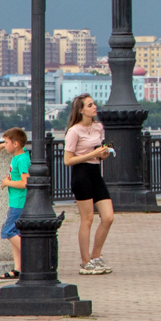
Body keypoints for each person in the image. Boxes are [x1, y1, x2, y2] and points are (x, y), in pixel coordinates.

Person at [63, 95, 115, 274]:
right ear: (81, 110)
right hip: (81, 174)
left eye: (94, 104)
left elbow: (97, 151)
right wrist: (91, 155)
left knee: (108, 217)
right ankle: (85, 262)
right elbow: (68, 160)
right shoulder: (74, 131)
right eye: (90, 105)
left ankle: (96, 256)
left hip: (95, 173)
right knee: (88, 219)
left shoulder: (98, 127)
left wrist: (102, 154)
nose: (95, 107)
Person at [0, 128, 29, 278]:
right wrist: (1, 146)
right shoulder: (19, 154)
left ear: (16, 144)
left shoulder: (22, 159)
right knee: (15, 233)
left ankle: (31, 255)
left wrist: (7, 182)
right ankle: (18, 268)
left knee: (8, 231)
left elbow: (25, 183)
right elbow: (16, 144)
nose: (4, 145)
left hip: (19, 202)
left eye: (6, 143)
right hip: (15, 201)